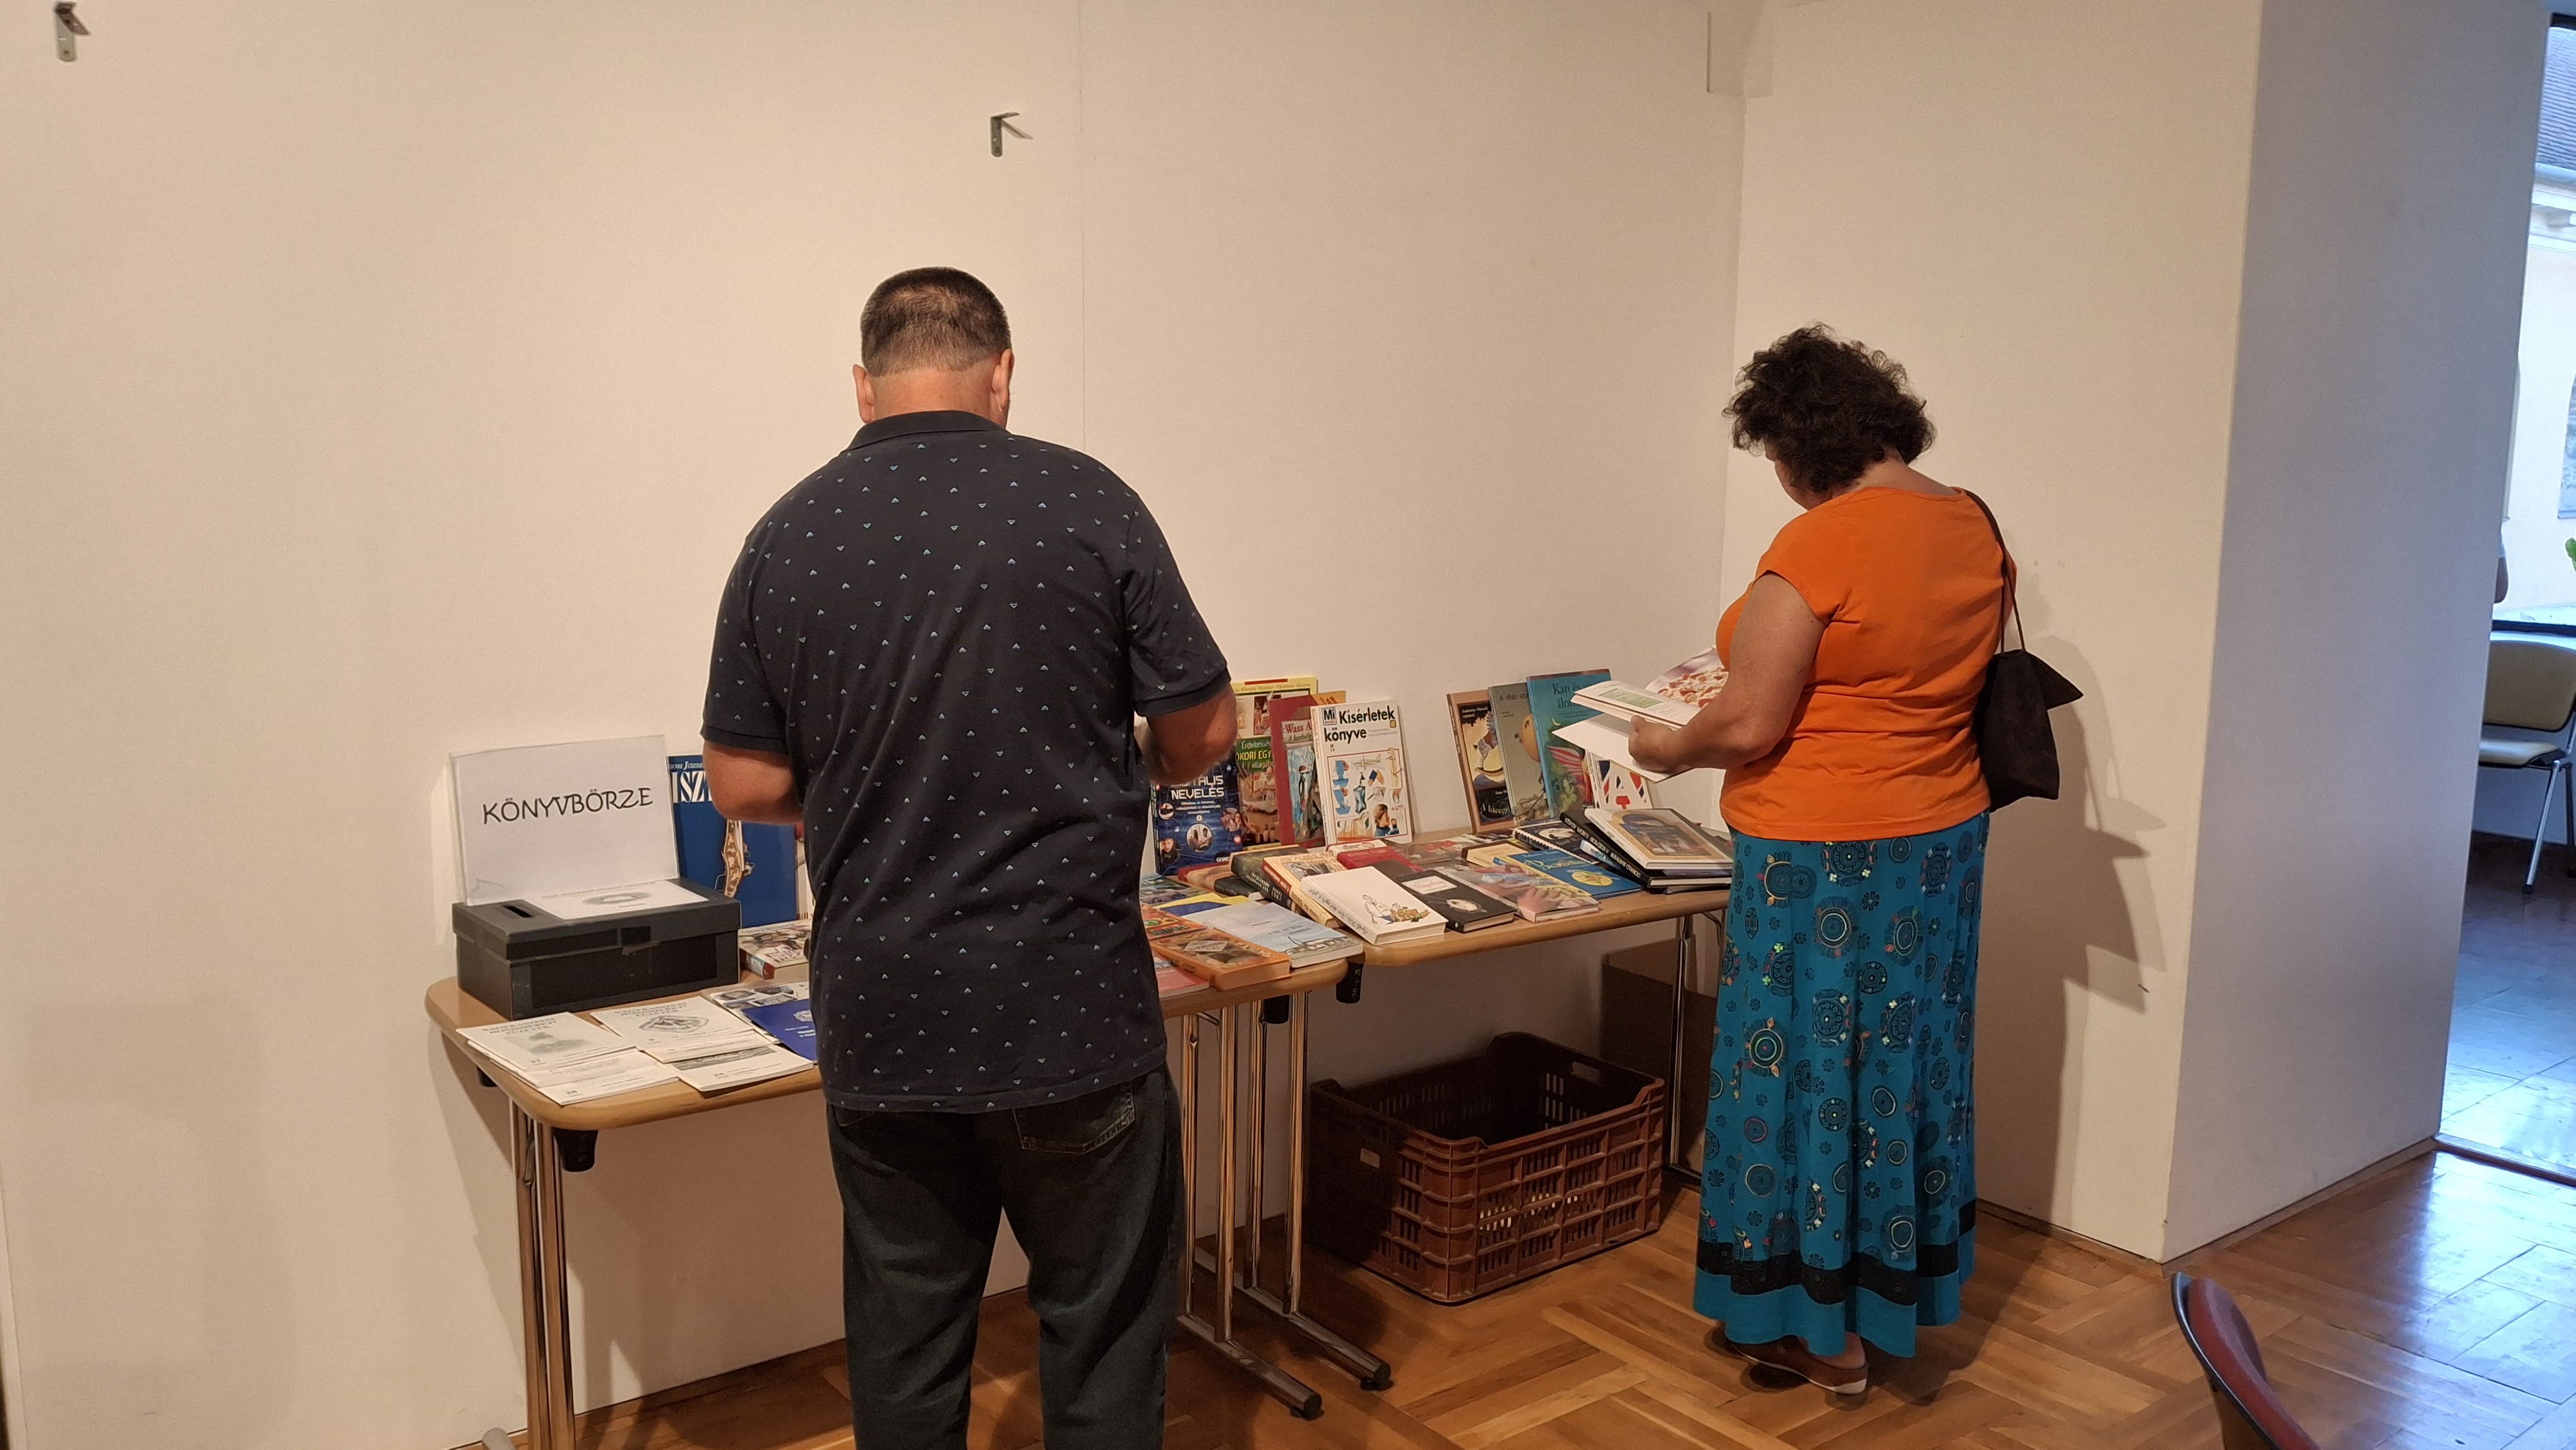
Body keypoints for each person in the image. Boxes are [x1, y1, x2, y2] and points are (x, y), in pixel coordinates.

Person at [698, 267, 1237, 1449]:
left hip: (884, 1010)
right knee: (1104, 1335)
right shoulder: (1087, 500)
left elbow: (738, 784)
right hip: (1069, 1005)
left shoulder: (786, 533)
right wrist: (1122, 767)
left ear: (864, 385)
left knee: (906, 1337)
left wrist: (866, 789)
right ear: (1003, 374)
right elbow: (1203, 731)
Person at [1630, 325, 2007, 1399]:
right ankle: (1888, 1303)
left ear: (1801, 444)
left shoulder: (1822, 543)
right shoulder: (1971, 522)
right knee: (1902, 1069)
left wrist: (1664, 746)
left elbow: (1750, 723)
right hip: (1941, 843)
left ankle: (1816, 1332)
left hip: (1821, 858)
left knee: (1794, 1073)